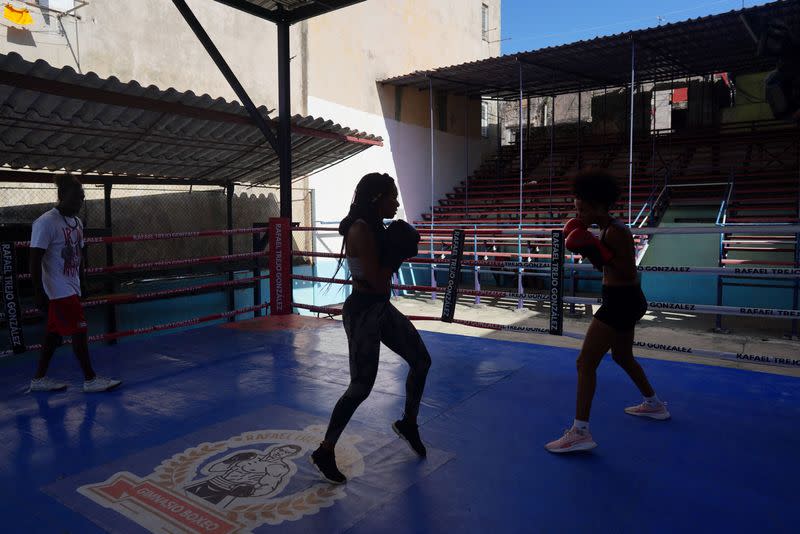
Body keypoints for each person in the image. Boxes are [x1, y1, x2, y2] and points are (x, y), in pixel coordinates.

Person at [311, 173, 431, 484]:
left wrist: (393, 250)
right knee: (361, 387)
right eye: (392, 196)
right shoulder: (361, 230)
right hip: (363, 311)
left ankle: (409, 423)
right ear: (377, 198)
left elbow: (378, 281)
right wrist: (397, 254)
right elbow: (374, 281)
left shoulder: (375, 227)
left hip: (378, 308)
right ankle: (325, 449)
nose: (397, 202)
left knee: (421, 360)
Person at [545, 170, 669, 454]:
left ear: (599, 205)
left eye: (583, 208)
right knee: (623, 356)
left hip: (621, 301)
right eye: (577, 209)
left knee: (584, 363)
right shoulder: (604, 229)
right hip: (623, 299)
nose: (579, 214)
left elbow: (626, 270)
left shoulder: (617, 231)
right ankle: (654, 404)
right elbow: (607, 267)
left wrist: (594, 249)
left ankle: (580, 432)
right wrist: (593, 250)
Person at [28, 175, 122, 394]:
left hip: (72, 286)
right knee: (79, 330)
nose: (80, 202)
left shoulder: (77, 222)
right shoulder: (46, 222)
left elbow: (78, 254)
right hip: (58, 289)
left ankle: (38, 379)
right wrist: (39, 291)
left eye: (82, 198)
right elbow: (34, 260)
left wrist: (83, 282)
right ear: (62, 196)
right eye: (76, 197)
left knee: (53, 336)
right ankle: (90, 379)